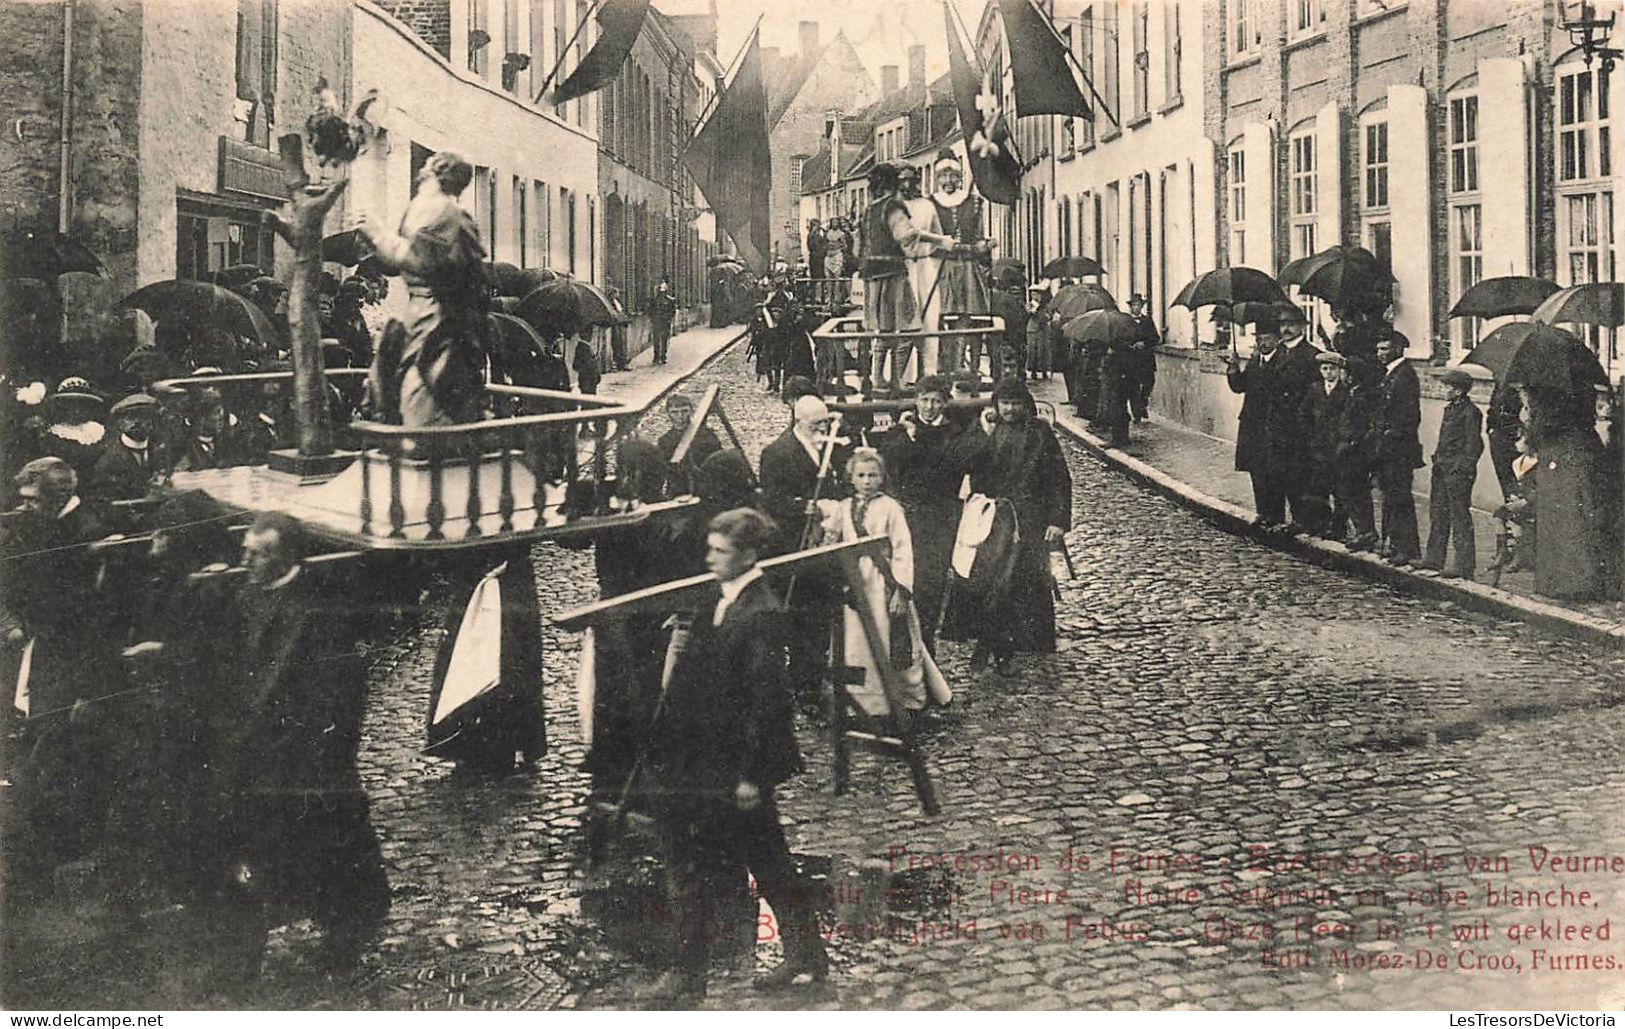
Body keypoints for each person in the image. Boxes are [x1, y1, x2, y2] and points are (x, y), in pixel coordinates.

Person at [640, 508, 829, 1003]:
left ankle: (688, 975)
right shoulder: (719, 598)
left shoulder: (761, 612)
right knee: (766, 862)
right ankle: (806, 955)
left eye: (720, 551)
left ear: (747, 555)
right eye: (711, 547)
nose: (710, 557)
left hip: (735, 767)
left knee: (698, 865)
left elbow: (766, 703)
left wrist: (751, 775)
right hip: (707, 757)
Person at [213, 513, 388, 981]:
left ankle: (344, 936)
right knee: (260, 850)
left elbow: (339, 696)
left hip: (307, 760)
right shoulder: (244, 594)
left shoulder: (321, 612)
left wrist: (317, 755)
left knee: (330, 852)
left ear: (286, 557)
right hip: (255, 752)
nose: (245, 559)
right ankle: (248, 945)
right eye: (245, 550)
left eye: (258, 552)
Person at [815, 448, 951, 717]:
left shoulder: (890, 508)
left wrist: (901, 590)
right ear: (851, 478)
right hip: (854, 582)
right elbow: (831, 540)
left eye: (872, 475)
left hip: (883, 581)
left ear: (882, 477)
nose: (867, 481)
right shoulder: (844, 507)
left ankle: (909, 699)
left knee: (894, 641)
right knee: (856, 642)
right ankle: (864, 705)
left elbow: (903, 549)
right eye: (861, 475)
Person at [360, 151, 488, 427]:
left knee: (423, 392)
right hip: (419, 314)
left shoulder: (445, 212)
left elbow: (420, 260)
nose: (420, 172)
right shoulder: (423, 207)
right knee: (394, 383)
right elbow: (399, 263)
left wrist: (379, 235)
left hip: (439, 318)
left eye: (427, 168)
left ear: (438, 175)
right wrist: (376, 241)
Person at [952, 378, 1071, 676]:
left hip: (1030, 517)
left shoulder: (1040, 433)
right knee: (994, 580)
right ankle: (995, 640)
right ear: (996, 405)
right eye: (1005, 403)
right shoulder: (986, 430)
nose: (1010, 409)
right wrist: (984, 432)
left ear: (1025, 405)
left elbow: (1059, 478)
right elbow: (963, 462)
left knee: (1029, 576)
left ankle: (1031, 640)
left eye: (1016, 403)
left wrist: (1058, 521)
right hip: (994, 517)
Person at [882, 376, 964, 655]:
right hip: (908, 518)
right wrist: (908, 436)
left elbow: (947, 466)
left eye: (936, 401)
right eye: (925, 400)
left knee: (932, 582)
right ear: (916, 400)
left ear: (945, 403)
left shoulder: (954, 432)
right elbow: (889, 464)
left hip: (940, 519)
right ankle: (903, 644)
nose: (929, 407)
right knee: (904, 579)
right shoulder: (900, 432)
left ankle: (927, 642)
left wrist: (917, 439)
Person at [1513, 385, 1618, 600]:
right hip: (1561, 476)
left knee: (1571, 526)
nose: (1525, 412)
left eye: (1527, 406)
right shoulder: (1556, 434)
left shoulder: (1565, 432)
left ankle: (1573, 584)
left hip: (1570, 478)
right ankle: (1560, 582)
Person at [860, 164, 953, 394]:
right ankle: (898, 380)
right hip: (892, 276)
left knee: (883, 330)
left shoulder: (869, 209)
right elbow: (907, 235)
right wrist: (940, 240)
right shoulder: (892, 207)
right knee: (908, 328)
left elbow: (859, 245)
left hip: (872, 277)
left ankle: (878, 377)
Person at [1225, 316, 1313, 530]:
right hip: (1253, 424)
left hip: (1275, 425)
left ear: (1276, 340)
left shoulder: (1283, 359)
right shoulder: (1256, 360)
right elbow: (1240, 386)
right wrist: (1233, 368)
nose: (1261, 343)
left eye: (1266, 339)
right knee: (1257, 471)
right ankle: (1264, 513)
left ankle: (1283, 516)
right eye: (1259, 339)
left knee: (1279, 472)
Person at [1299, 352, 1376, 548]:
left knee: (1341, 489)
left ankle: (1340, 527)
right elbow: (1304, 414)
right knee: (1320, 486)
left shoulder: (1346, 391)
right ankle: (1322, 524)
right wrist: (1311, 435)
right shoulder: (1315, 389)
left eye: (1332, 369)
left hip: (1338, 447)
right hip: (1319, 446)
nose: (1329, 372)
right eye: (1324, 369)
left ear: (1339, 371)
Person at [1417, 368, 1485, 579]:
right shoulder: (1450, 409)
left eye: (1447, 387)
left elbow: (1474, 444)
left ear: (1458, 390)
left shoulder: (1471, 412)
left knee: (1459, 516)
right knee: (1438, 513)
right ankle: (1434, 558)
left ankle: (1463, 566)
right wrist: (1438, 458)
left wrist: (1461, 467)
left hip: (1457, 472)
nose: (1443, 389)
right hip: (1442, 468)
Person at [928, 150, 991, 375]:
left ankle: (961, 364)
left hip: (966, 268)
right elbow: (925, 239)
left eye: (953, 176)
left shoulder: (974, 202)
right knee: (938, 316)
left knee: (966, 316)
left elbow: (980, 236)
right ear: (937, 179)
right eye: (943, 176)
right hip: (940, 269)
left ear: (960, 177)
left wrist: (983, 245)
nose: (948, 181)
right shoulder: (930, 204)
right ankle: (941, 363)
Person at [1372, 330, 1424, 565]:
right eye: (1378, 349)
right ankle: (1394, 544)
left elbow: (1408, 416)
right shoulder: (1391, 374)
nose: (1379, 353)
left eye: (1384, 349)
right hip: (1387, 448)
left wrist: (1391, 434)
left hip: (1399, 450)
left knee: (1400, 497)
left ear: (1396, 349)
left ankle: (1407, 548)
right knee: (1390, 496)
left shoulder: (1405, 376)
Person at [897, 165, 944, 378]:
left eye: (911, 180)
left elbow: (937, 235)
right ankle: (899, 375)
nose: (907, 185)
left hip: (925, 268)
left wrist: (928, 255)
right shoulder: (893, 207)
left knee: (929, 317)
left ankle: (929, 371)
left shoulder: (927, 206)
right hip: (901, 269)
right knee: (903, 320)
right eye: (902, 181)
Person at [89, 392, 163, 503]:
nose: (137, 422)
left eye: (143, 417)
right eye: (130, 417)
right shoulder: (109, 460)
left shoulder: (161, 453)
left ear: (152, 423)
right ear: (119, 423)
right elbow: (105, 503)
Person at [655, 391, 723, 496]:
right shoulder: (665, 441)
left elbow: (718, 462)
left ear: (691, 411)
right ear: (668, 413)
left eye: (684, 411)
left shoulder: (706, 434)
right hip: (679, 490)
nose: (680, 416)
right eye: (674, 412)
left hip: (706, 487)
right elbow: (662, 473)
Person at [1125, 293, 1160, 421]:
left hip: (1146, 360)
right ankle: (1137, 414)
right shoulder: (1126, 321)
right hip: (1132, 360)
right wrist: (1131, 345)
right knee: (1133, 387)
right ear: (1130, 307)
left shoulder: (1147, 321)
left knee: (1148, 383)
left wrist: (1144, 343)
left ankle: (1143, 404)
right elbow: (1122, 339)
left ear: (1142, 306)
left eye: (1138, 305)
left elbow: (1156, 338)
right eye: (1134, 305)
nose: (1136, 308)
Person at [649, 278, 678, 366]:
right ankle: (656, 356)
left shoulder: (670, 300)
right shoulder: (654, 301)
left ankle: (663, 356)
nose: (661, 293)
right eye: (660, 291)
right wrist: (652, 319)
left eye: (663, 291)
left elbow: (673, 311)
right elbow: (650, 311)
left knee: (665, 339)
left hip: (665, 322)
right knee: (656, 339)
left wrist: (670, 318)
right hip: (657, 322)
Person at [804, 220, 828, 298]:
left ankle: (821, 296)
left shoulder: (823, 234)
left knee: (822, 278)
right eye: (814, 225)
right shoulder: (810, 235)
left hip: (822, 258)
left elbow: (825, 245)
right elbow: (810, 246)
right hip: (814, 258)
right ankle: (816, 296)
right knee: (815, 278)